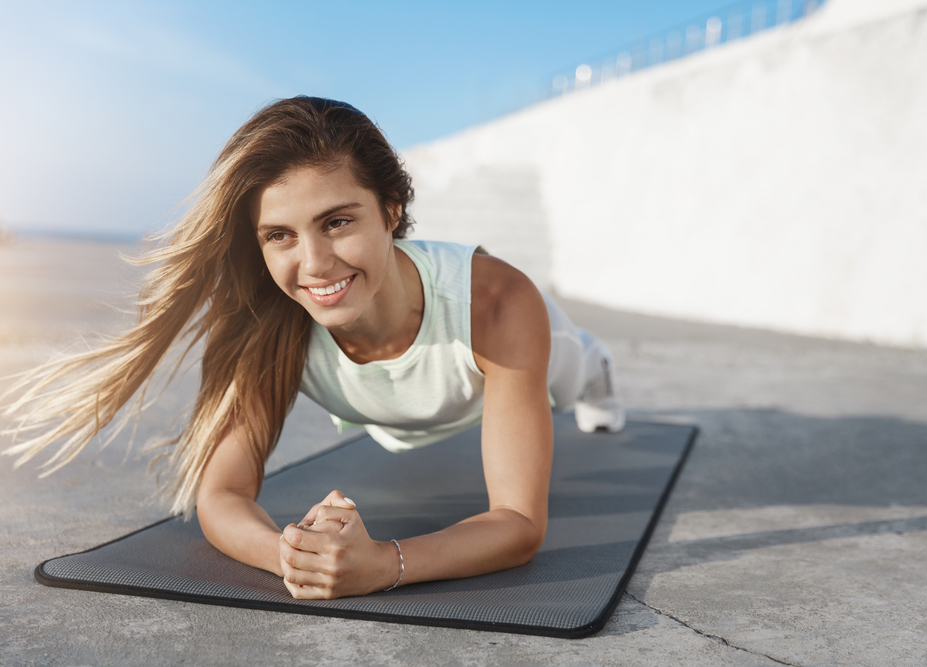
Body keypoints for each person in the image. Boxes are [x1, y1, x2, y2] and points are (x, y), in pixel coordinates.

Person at [3, 96, 624, 600]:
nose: (315, 264)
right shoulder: (264, 320)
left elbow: (517, 525)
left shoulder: (495, 304)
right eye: (280, 235)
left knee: (577, 379)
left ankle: (600, 372)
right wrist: (296, 556)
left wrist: (383, 563)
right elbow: (222, 494)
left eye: (336, 221)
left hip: (525, 369)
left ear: (391, 208)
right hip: (399, 415)